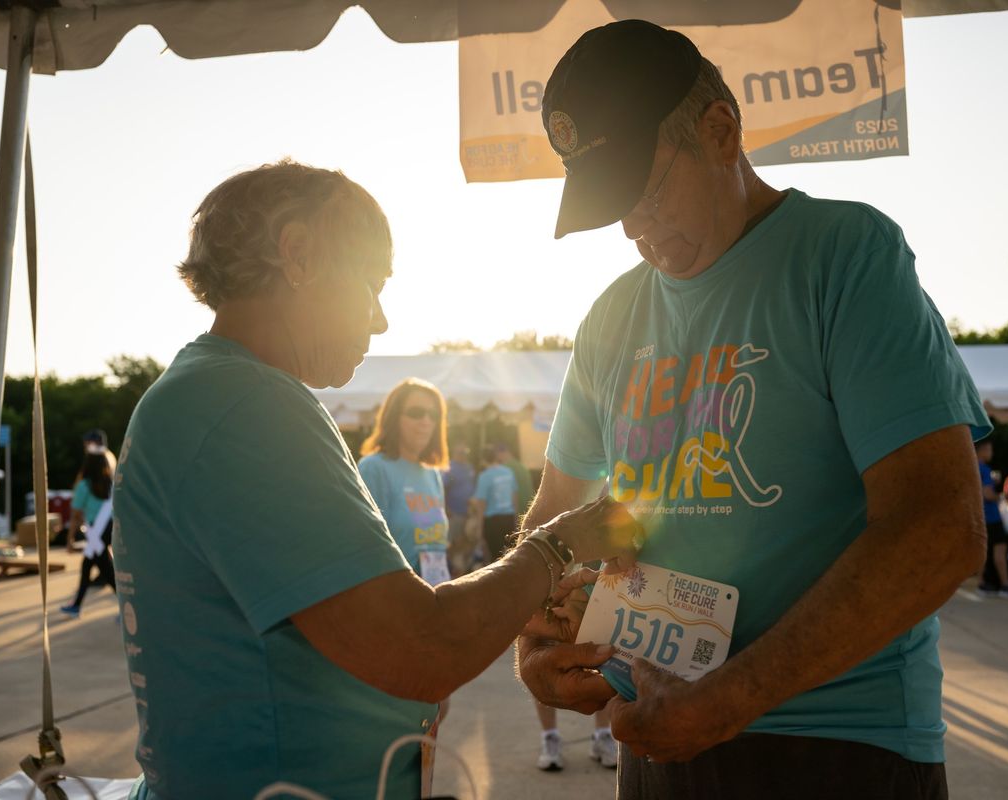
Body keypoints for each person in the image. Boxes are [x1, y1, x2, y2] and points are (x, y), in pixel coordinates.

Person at [515, 21, 989, 799]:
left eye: (647, 187)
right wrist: (532, 647)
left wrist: (727, 702)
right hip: (660, 737)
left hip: (839, 746)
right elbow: (555, 514)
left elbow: (941, 530)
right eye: (614, 206)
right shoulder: (611, 315)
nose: (635, 227)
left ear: (721, 129)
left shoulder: (845, 255)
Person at [110, 160, 639, 800]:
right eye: (372, 281)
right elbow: (420, 648)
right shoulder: (243, 404)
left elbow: (371, 614)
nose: (381, 319)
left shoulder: (220, 392)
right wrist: (560, 543)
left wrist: (509, 598)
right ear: (299, 255)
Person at [359, 378, 451, 586]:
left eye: (433, 415)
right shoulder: (374, 468)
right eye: (416, 413)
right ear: (394, 418)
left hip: (432, 594)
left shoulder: (432, 473)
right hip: (394, 598)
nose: (426, 421)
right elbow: (368, 547)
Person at [59, 451, 116, 618]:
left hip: (95, 532)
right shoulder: (111, 484)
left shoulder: (84, 485)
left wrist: (70, 538)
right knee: (89, 566)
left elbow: (75, 514)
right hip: (109, 529)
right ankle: (76, 605)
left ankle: (128, 605)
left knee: (107, 571)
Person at [975, 441, 1008, 598]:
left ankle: (981, 583)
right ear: (981, 450)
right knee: (999, 550)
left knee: (985, 551)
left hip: (980, 516)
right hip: (992, 516)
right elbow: (987, 494)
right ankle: (1006, 584)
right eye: (989, 449)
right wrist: (1003, 497)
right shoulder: (985, 469)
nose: (991, 452)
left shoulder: (972, 467)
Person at [470, 444, 519, 561]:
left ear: (483, 460)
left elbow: (481, 504)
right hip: (509, 518)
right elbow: (515, 496)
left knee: (495, 559)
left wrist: (479, 528)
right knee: (510, 556)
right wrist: (516, 518)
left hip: (492, 522)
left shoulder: (484, 476)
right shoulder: (508, 472)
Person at [443, 441, 478, 576]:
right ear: (454, 453)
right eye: (461, 453)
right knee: (453, 543)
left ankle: (462, 571)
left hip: (469, 513)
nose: (463, 455)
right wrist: (446, 509)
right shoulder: (449, 468)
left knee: (467, 541)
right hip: (455, 512)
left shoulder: (469, 467)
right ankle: (451, 571)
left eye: (465, 453)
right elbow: (443, 489)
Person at [497, 442, 536, 521]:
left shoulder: (504, 469)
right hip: (529, 507)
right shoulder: (522, 467)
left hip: (515, 510)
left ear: (501, 453)